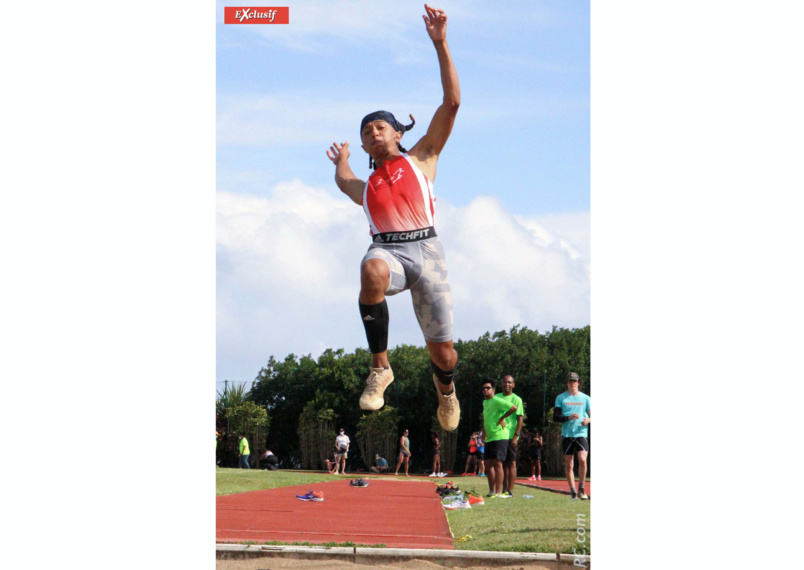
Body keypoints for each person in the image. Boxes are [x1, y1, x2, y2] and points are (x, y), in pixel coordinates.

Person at [326, 4, 461, 432]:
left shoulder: (422, 158)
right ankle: (380, 367)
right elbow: (344, 180)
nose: (372, 133)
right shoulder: (366, 189)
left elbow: (452, 102)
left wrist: (440, 44)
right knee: (371, 269)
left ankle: (446, 391)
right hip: (389, 250)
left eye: (380, 127)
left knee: (444, 355)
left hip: (428, 250)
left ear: (397, 133)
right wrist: (343, 160)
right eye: (366, 132)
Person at [554, 372, 591, 500]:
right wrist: (568, 417)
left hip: (581, 433)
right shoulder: (561, 398)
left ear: (578, 383)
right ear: (567, 383)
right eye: (570, 381)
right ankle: (573, 491)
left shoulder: (586, 398)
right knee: (569, 464)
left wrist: (588, 420)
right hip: (567, 434)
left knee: (582, 460)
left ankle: (581, 489)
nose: (572, 383)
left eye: (575, 381)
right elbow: (556, 417)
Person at [481, 379, 517, 498]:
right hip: (489, 437)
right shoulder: (485, 403)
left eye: (488, 388)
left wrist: (502, 419)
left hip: (500, 435)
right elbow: (486, 419)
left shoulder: (497, 400)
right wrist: (483, 433)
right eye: (483, 388)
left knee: (497, 463)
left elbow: (513, 407)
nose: (485, 390)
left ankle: (498, 492)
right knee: (487, 463)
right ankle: (491, 491)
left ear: (493, 390)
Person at [499, 375, 524, 497]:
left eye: (509, 382)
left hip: (510, 435)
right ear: (501, 384)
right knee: (500, 463)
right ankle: (502, 489)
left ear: (513, 384)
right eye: (504, 382)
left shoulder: (517, 399)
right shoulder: (496, 398)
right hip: (498, 435)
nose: (507, 384)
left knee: (511, 463)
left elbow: (520, 419)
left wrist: (516, 436)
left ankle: (510, 490)